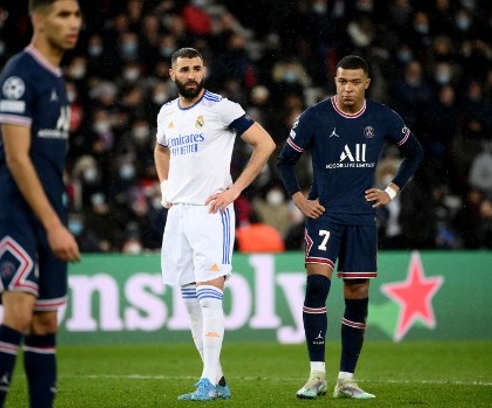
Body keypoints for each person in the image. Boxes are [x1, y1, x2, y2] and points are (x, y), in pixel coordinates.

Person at [277, 55, 423, 400]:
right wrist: (299, 200)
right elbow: (285, 161)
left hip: (361, 218)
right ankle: (316, 375)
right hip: (324, 215)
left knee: (357, 296)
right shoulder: (315, 117)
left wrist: (391, 191)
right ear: (336, 82)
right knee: (317, 286)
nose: (347, 88)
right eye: (342, 81)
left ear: (366, 84)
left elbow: (414, 152)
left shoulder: (382, 117)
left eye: (355, 82)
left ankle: (346, 380)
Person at [153, 47, 275, 401]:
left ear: (204, 70)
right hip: (178, 214)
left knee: (209, 298)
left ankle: (207, 381)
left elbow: (265, 143)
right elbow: (161, 150)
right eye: (184, 70)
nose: (191, 75)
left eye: (196, 68)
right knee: (191, 302)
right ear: (172, 74)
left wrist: (236, 189)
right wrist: (165, 186)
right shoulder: (166, 113)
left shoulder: (221, 108)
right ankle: (217, 379)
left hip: (210, 212)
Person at [0, 1, 82, 407]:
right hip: (14, 210)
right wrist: (53, 225)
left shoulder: (57, 79)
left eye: (77, 14)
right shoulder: (19, 74)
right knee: (18, 312)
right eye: (63, 14)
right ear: (38, 18)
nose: (73, 23)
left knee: (45, 321)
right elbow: (16, 158)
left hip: (50, 211)